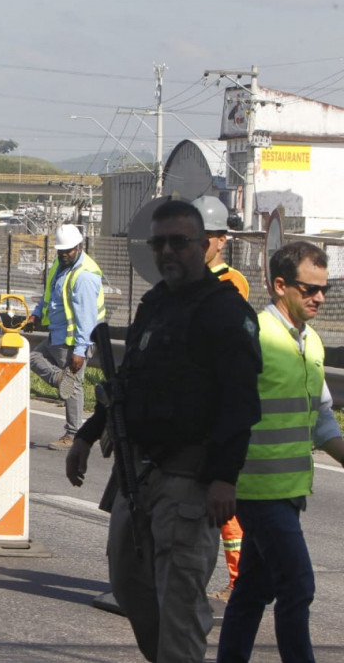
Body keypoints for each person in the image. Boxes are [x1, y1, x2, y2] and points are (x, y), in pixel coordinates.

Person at [65, 198, 262, 663]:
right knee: (129, 587)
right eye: (159, 243)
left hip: (191, 482)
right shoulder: (155, 304)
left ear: (204, 246)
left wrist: (224, 477)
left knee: (179, 608)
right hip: (140, 475)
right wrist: (87, 435)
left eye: (179, 242)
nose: (168, 251)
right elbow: (126, 382)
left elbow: (241, 404)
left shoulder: (225, 312)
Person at [217, 241, 344, 663]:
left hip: (289, 491)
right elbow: (225, 409)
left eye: (324, 288)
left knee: (253, 590)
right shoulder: (254, 335)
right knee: (298, 586)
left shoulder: (311, 341)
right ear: (279, 285)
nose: (320, 298)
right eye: (309, 289)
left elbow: (322, 419)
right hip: (257, 490)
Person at [192, 194, 250, 603]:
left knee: (227, 515)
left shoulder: (231, 282)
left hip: (218, 409)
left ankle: (238, 581)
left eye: (209, 237)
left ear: (221, 240)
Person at [27, 223, 105, 450]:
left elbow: (87, 319)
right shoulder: (59, 265)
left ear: (79, 247)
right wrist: (36, 314)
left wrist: (80, 351)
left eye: (68, 250)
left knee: (75, 387)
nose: (64, 254)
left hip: (74, 340)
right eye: (61, 251)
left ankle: (73, 435)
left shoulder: (85, 276)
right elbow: (49, 294)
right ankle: (59, 378)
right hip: (58, 334)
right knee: (31, 357)